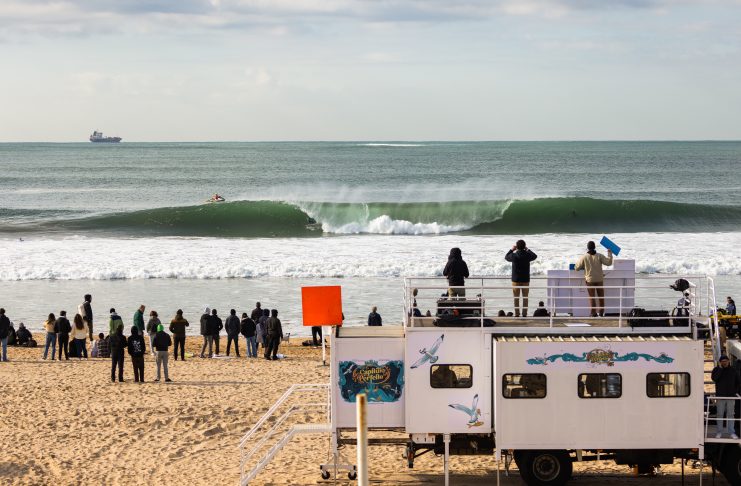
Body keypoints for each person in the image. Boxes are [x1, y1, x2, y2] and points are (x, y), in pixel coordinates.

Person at [574, 241, 613, 317]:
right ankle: (601, 313)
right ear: (595, 247)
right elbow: (609, 263)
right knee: (601, 297)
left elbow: (576, 268)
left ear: (587, 248)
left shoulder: (584, 257)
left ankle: (593, 313)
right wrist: (610, 254)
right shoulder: (600, 256)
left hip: (590, 280)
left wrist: (583, 266)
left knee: (592, 297)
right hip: (599, 279)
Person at [505, 240, 538, 317]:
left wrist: (511, 250)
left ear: (517, 247)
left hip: (516, 280)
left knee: (516, 298)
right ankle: (524, 314)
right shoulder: (527, 255)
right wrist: (528, 249)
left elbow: (506, 257)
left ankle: (517, 314)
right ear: (524, 246)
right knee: (525, 298)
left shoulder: (514, 255)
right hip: (525, 280)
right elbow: (535, 256)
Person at [712, 355, 740, 439]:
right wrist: (720, 369)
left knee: (731, 414)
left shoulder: (733, 370)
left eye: (726, 361)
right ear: (720, 362)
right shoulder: (716, 370)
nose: (724, 363)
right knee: (720, 414)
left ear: (728, 361)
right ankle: (719, 432)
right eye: (722, 361)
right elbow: (715, 379)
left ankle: (731, 432)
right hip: (720, 396)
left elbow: (738, 382)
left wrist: (734, 391)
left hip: (731, 396)